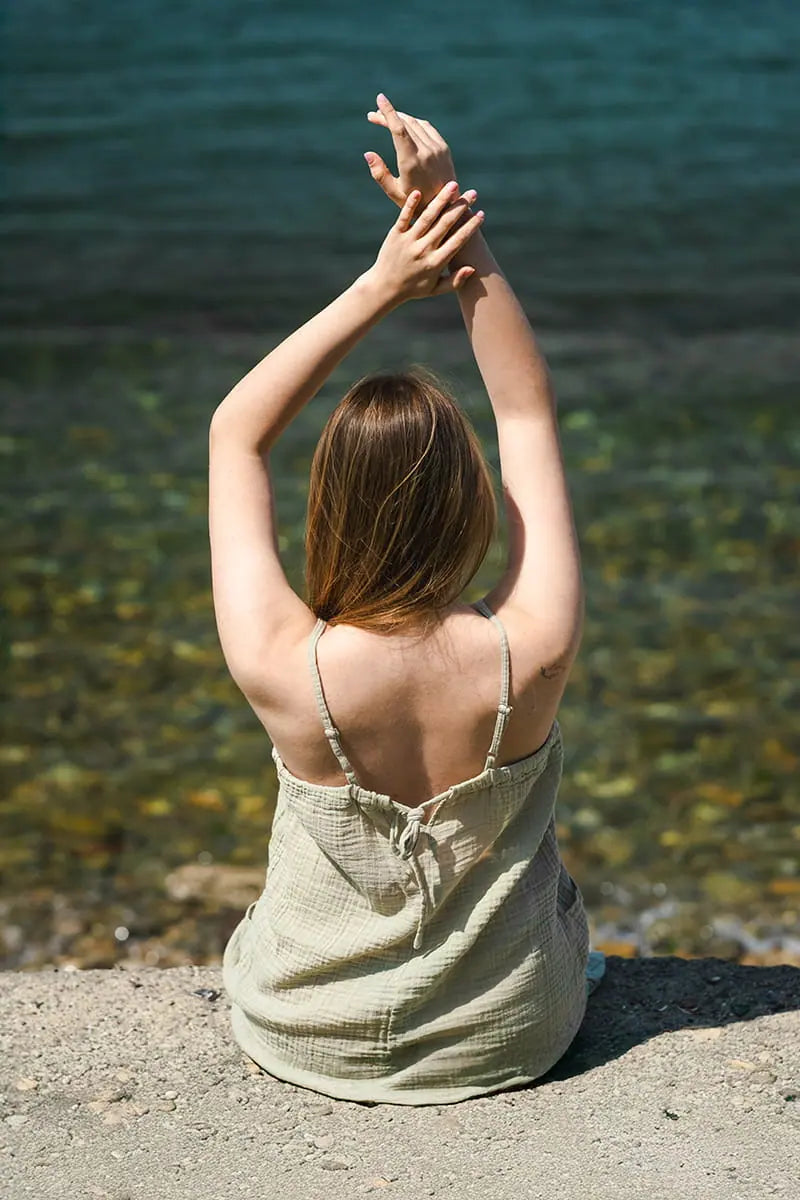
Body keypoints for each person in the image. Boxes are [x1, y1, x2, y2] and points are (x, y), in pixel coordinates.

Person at [212, 95, 605, 1107]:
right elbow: (522, 407)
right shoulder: (530, 647)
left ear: (328, 503)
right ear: (472, 500)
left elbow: (234, 433)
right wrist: (454, 233)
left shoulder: (281, 663)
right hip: (508, 1035)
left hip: (305, 1028)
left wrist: (379, 285)